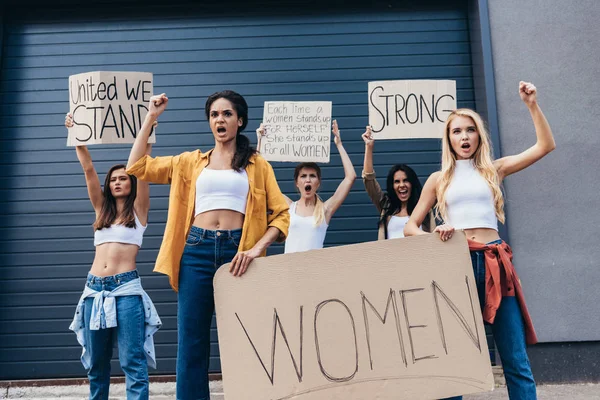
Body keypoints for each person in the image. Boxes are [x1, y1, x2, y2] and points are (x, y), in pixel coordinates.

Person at [126, 90, 290, 400]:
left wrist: (255, 249)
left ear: (239, 121)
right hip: (196, 253)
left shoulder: (256, 164)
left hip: (238, 256)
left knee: (246, 336)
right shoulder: (189, 162)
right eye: (214, 115)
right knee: (192, 340)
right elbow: (136, 166)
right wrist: (151, 116)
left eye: (227, 114)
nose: (220, 119)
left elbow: (281, 216)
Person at [405, 81, 556, 400]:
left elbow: (544, 146)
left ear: (478, 136)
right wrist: (434, 235)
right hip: (455, 264)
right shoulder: (438, 179)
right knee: (455, 361)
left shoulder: (494, 170)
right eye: (457, 131)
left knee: (515, 359)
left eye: (470, 130)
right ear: (449, 138)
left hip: (494, 263)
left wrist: (532, 105)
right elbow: (410, 227)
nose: (464, 137)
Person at [66, 114, 160, 400]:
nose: (118, 182)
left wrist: (150, 129)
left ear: (131, 182)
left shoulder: (139, 211)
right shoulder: (100, 211)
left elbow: (143, 169)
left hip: (126, 290)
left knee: (132, 362)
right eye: (114, 179)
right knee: (97, 364)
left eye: (123, 178)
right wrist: (76, 134)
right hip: (94, 291)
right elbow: (89, 169)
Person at [257, 120, 356, 253]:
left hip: (315, 271)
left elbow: (350, 177)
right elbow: (259, 178)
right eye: (303, 176)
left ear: (318, 182)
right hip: (290, 270)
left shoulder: (325, 210)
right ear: (297, 183)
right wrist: (260, 140)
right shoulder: (288, 207)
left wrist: (339, 144)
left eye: (312, 176)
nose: (308, 180)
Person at [361, 125, 433, 239]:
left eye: (405, 181)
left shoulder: (423, 208)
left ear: (412, 184)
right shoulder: (386, 206)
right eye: (397, 182)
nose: (401, 185)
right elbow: (369, 180)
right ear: (392, 186)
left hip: (419, 256)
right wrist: (369, 147)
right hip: (390, 257)